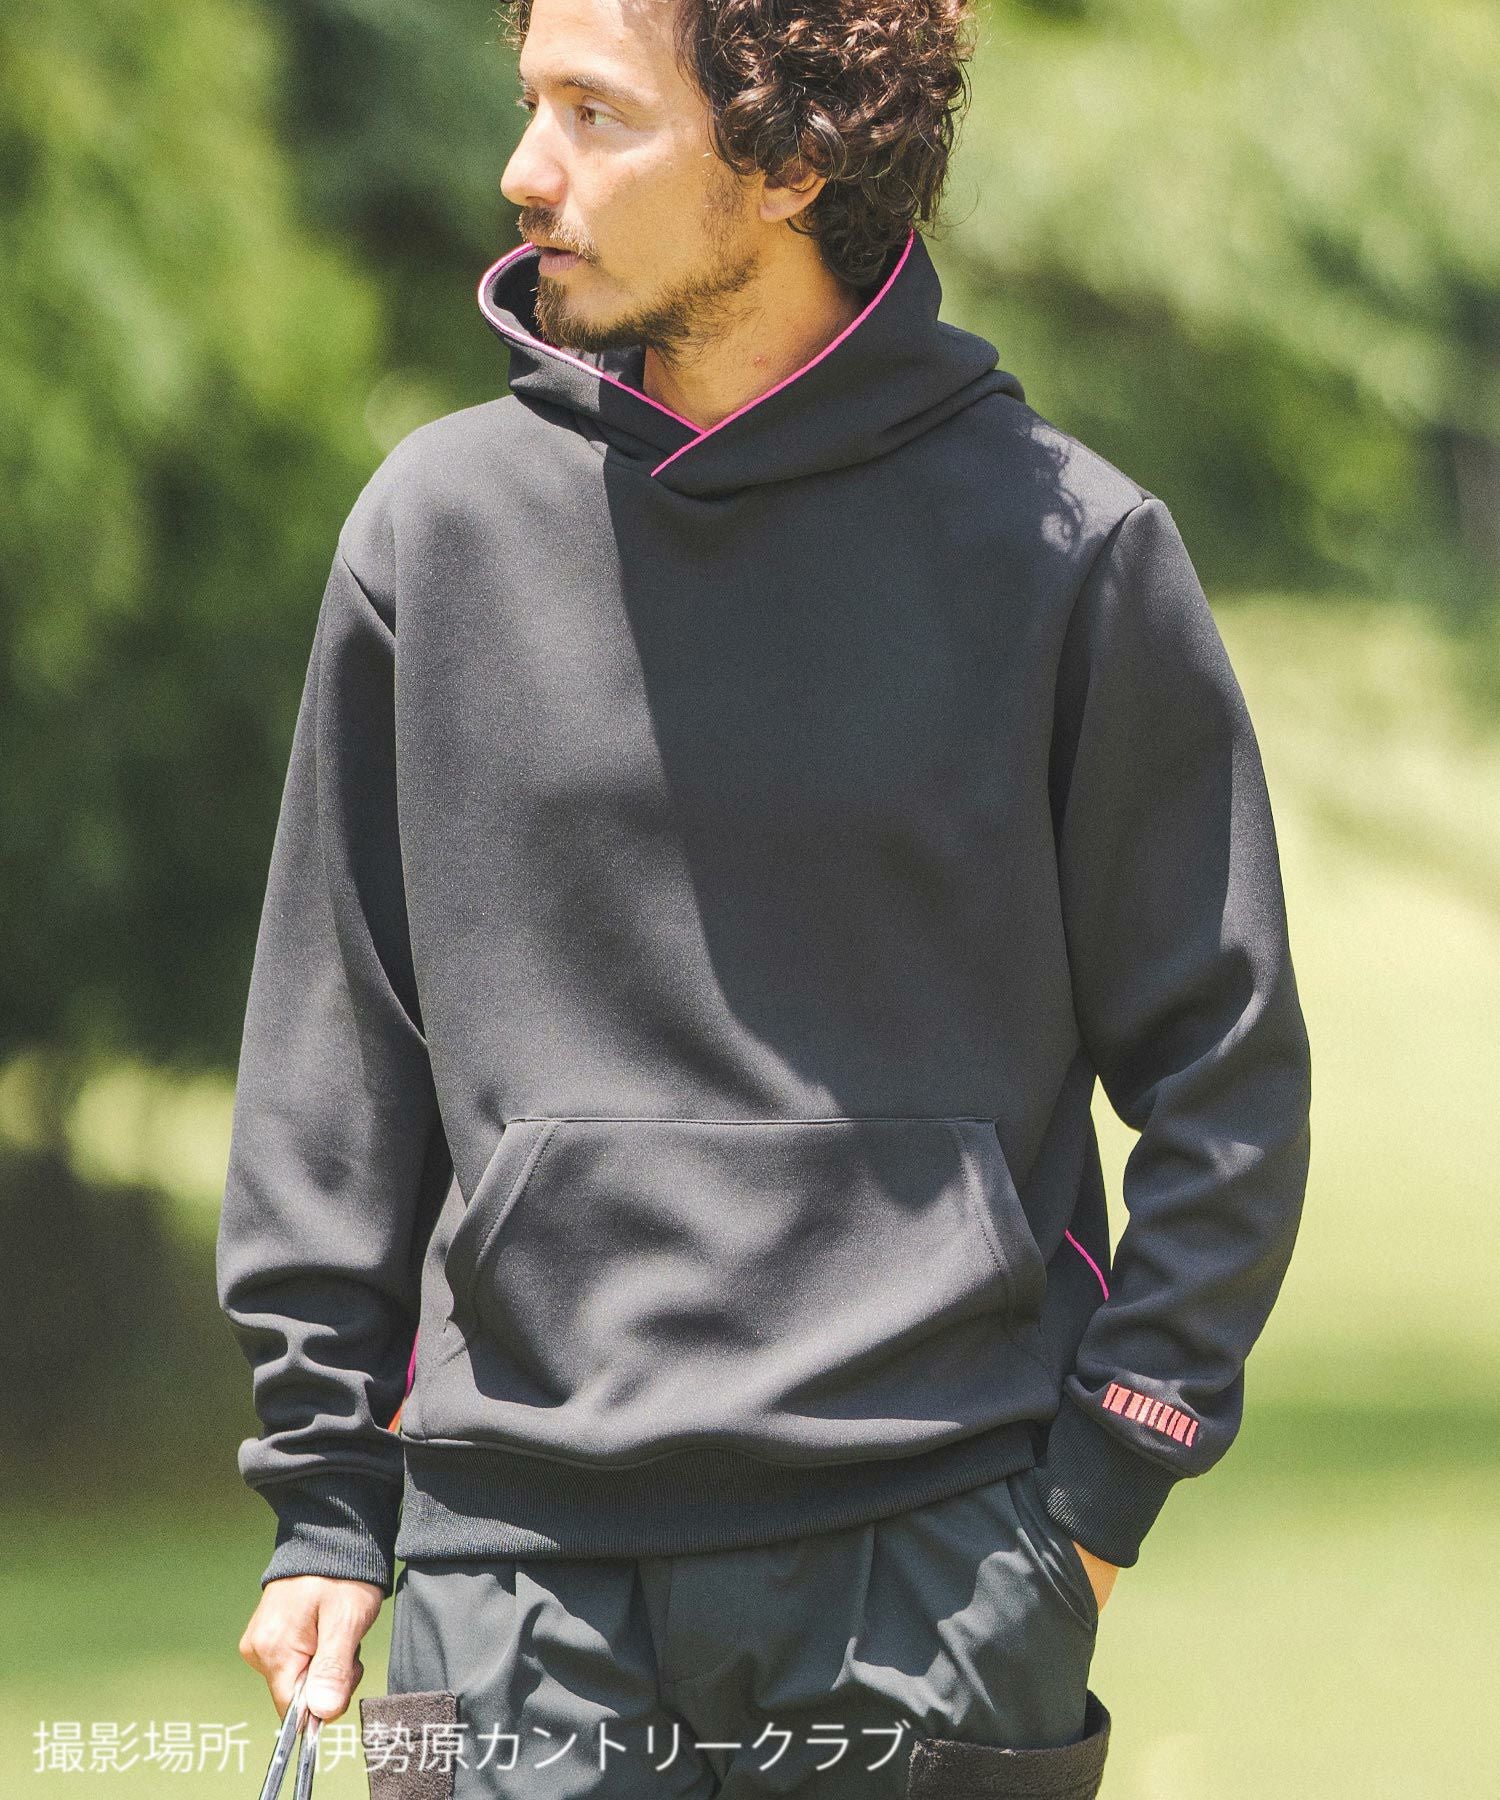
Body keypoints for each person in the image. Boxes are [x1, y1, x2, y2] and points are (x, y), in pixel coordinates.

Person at [216, 0, 1313, 1790]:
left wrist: (1102, 1494)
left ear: (795, 155)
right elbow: (336, 1056)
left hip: (934, 1564)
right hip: (503, 1575)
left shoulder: (1070, 549)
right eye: (531, 101)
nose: (523, 170)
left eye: (595, 113)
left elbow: (1227, 1070)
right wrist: (326, 1500)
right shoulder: (432, 534)